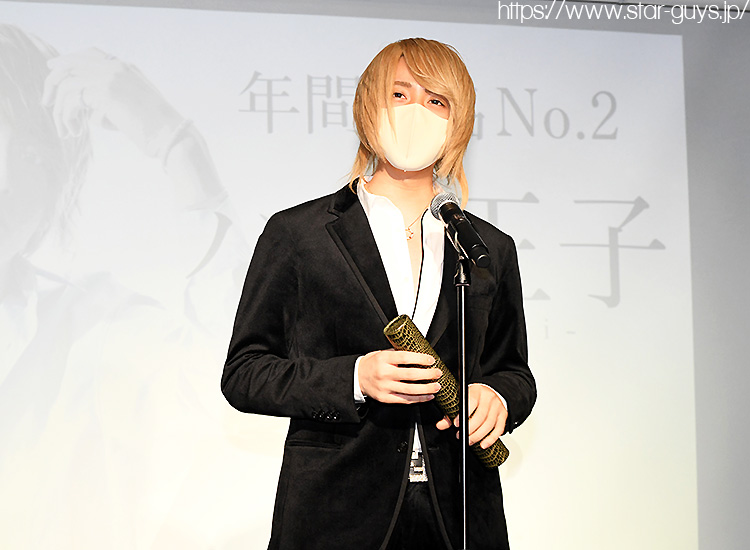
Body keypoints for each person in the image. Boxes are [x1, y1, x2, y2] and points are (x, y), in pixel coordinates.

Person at [222, 37, 536, 550]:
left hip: (460, 512)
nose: (416, 112)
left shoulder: (486, 247)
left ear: (458, 121)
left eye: (436, 101)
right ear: (369, 106)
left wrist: (496, 398)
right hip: (335, 514)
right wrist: (354, 377)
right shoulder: (299, 233)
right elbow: (244, 373)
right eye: (400, 94)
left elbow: (514, 372)